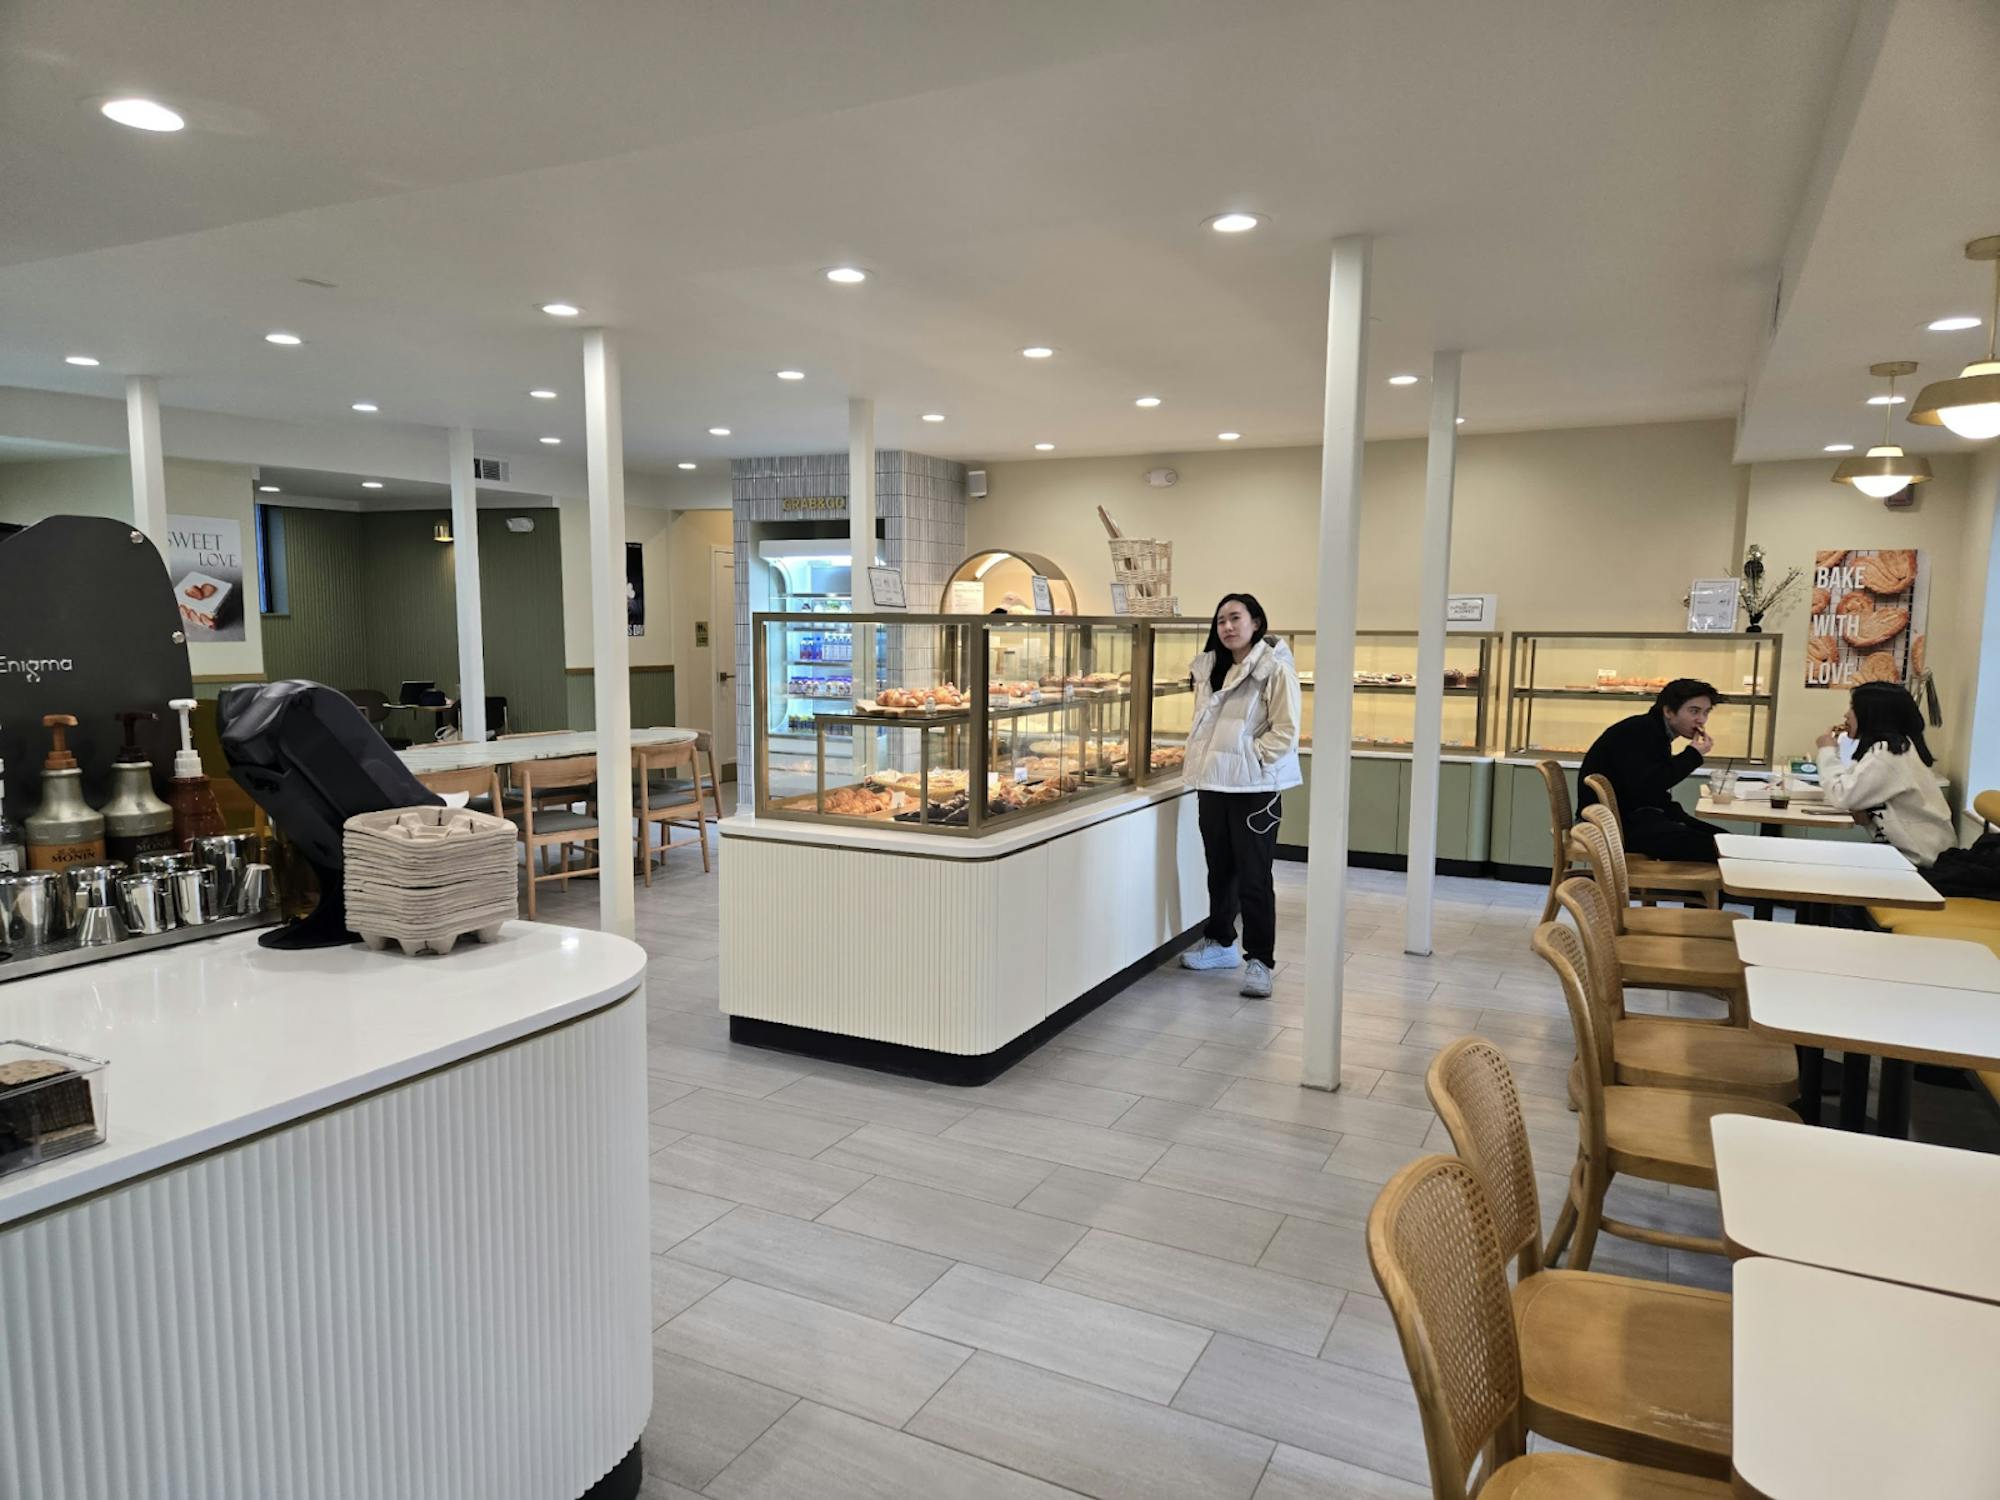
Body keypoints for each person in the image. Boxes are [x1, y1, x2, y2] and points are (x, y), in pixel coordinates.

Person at [1178, 593, 1302, 998]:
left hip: (1255, 789)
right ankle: (1221, 942)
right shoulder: (1211, 669)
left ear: (1256, 622)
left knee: (1254, 877)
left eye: (1235, 618)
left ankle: (1260, 961)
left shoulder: (1274, 668)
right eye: (1220, 622)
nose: (1227, 627)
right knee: (1220, 870)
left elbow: (1285, 730)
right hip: (1214, 783)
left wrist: (1255, 759)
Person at [1576, 678, 1727, 861]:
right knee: (1716, 848)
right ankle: (1688, 889)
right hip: (1612, 826)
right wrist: (1693, 755)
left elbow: (1652, 788)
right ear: (1669, 711)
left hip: (1632, 817)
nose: (1701, 720)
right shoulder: (1639, 732)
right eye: (1694, 711)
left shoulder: (1652, 730)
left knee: (1725, 841)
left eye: (1706, 712)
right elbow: (1650, 785)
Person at [1814, 681, 1955, 867]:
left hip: (1920, 863)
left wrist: (1827, 752)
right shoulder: (1893, 747)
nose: (1846, 715)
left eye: (1853, 708)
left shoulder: (1888, 753)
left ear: (1872, 715)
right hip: (1914, 856)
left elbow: (1842, 795)